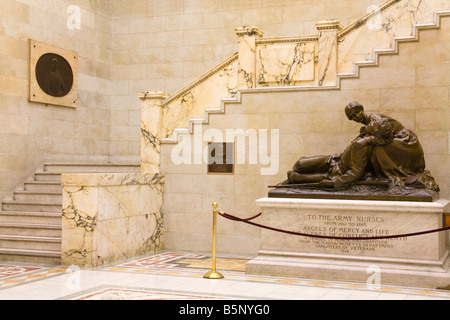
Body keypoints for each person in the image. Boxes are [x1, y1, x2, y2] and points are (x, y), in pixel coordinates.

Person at [287, 101, 439, 191]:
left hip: (337, 171)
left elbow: (357, 171)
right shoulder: (367, 132)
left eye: (356, 113)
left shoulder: (375, 129)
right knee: (299, 163)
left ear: (362, 109)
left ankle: (294, 177)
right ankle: (295, 176)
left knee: (296, 175)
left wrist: (335, 182)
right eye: (352, 117)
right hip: (334, 160)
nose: (356, 118)